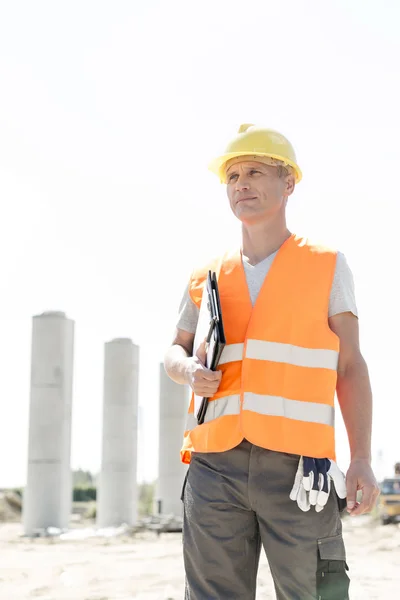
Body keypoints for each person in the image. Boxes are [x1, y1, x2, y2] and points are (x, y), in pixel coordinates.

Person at [164, 124, 379, 599]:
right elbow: (174, 351)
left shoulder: (326, 265)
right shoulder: (207, 274)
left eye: (255, 171)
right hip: (214, 465)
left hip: (301, 469)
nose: (241, 183)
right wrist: (186, 371)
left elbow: (351, 366)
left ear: (289, 183)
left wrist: (360, 456)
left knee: (315, 593)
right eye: (233, 175)